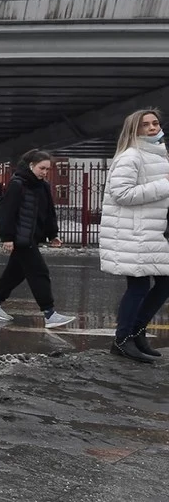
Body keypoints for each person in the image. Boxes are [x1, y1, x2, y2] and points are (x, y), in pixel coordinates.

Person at [99, 109, 169, 363]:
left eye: (155, 123)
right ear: (134, 130)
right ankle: (122, 339)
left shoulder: (158, 155)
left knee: (164, 283)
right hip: (133, 232)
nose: (152, 128)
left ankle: (137, 332)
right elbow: (122, 194)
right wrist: (165, 184)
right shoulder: (130, 156)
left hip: (153, 231)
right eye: (145, 125)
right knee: (139, 285)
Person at [0, 149, 76, 329]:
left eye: (47, 169)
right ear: (31, 165)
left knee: (15, 273)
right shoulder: (18, 184)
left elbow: (49, 213)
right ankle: (49, 314)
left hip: (32, 237)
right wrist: (7, 237)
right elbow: (8, 213)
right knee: (40, 272)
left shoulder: (43, 186)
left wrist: (53, 234)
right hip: (21, 238)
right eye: (42, 168)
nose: (44, 172)